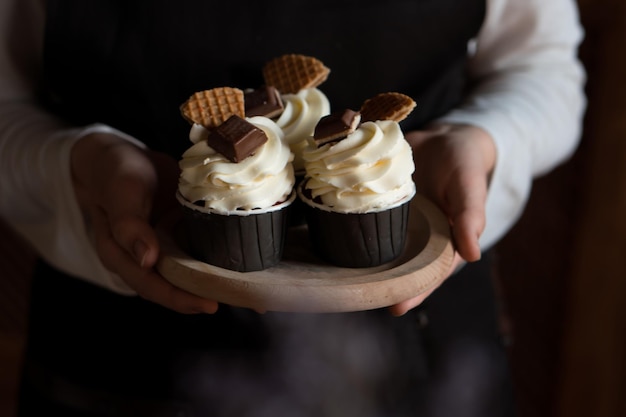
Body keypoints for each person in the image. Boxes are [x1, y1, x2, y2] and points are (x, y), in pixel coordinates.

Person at [0, 0, 586, 416]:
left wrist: (482, 140)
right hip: (114, 364)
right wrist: (76, 163)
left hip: (418, 368)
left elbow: (543, 70)